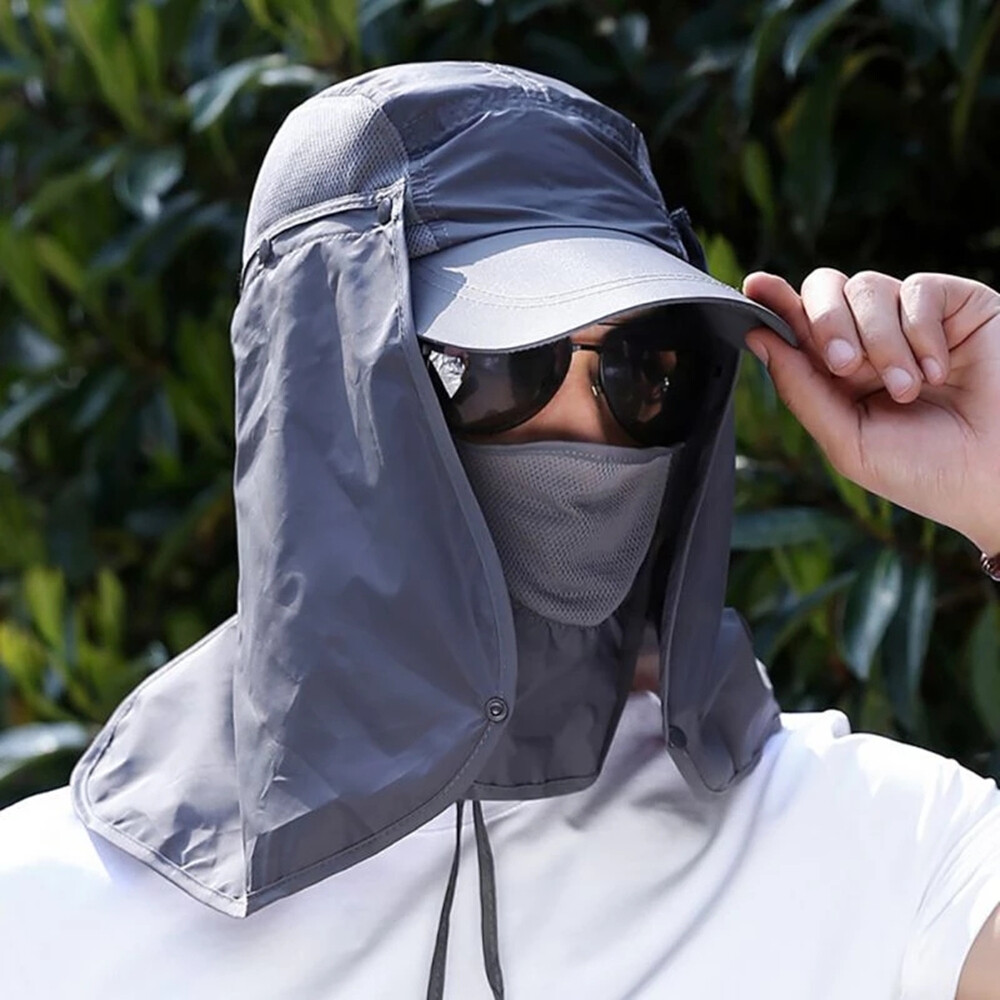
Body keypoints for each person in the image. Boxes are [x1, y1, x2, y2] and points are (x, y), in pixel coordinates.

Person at [1, 61, 998, 1000]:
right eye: (504, 368)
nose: (589, 433)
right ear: (324, 389)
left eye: (641, 373)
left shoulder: (878, 846)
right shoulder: (43, 915)